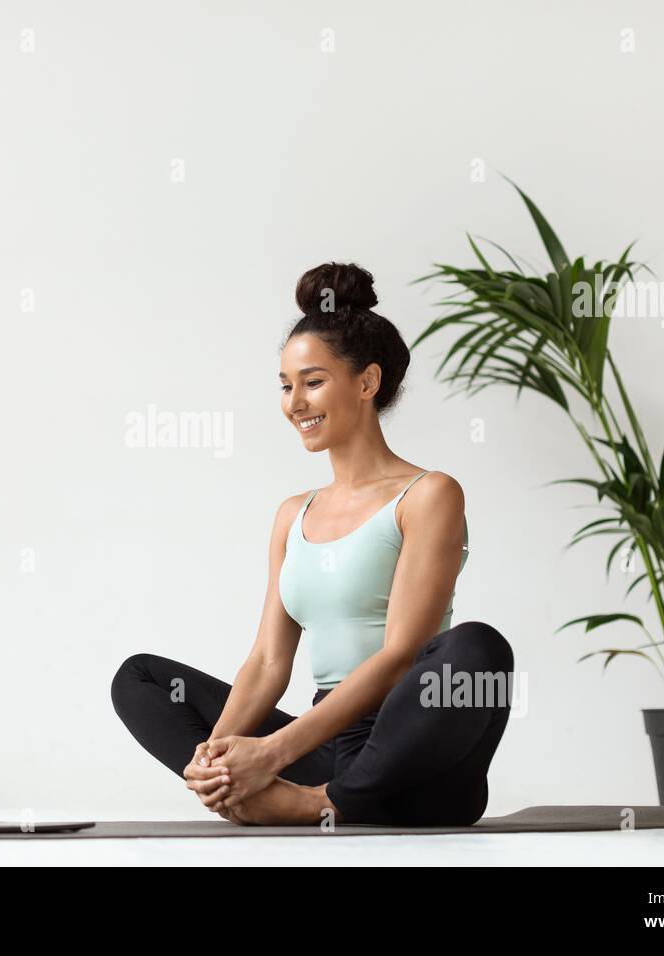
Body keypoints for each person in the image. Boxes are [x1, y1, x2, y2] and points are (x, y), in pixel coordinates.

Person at [111, 262, 514, 826]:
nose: (294, 403)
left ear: (367, 383)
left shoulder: (429, 495)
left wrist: (273, 753)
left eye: (313, 381)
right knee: (140, 678)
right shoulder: (292, 514)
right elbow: (269, 660)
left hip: (411, 750)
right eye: (285, 385)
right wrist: (221, 757)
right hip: (326, 745)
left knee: (477, 652)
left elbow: (401, 656)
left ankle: (314, 804)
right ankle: (255, 794)